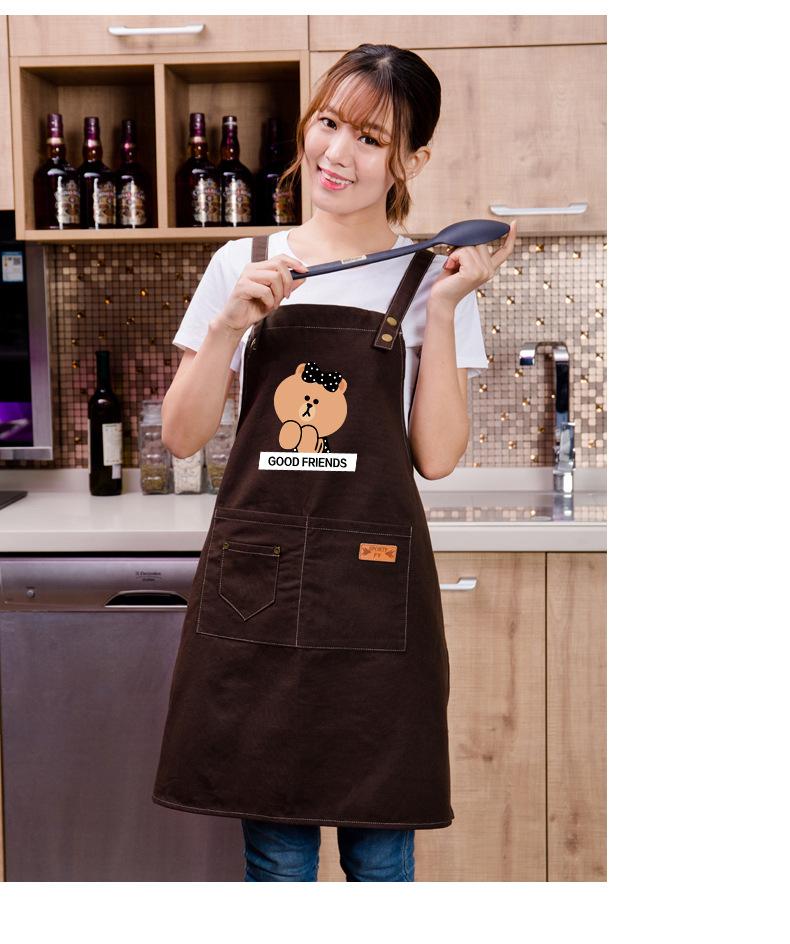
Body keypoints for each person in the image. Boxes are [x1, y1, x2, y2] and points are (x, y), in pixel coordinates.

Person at [152, 43, 517, 883]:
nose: (337, 153)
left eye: (370, 138)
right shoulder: (241, 263)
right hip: (260, 590)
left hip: (374, 594)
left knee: (380, 852)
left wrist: (448, 306)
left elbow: (437, 456)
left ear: (411, 160)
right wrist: (228, 327)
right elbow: (180, 437)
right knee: (277, 857)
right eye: (329, 124)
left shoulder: (433, 278)